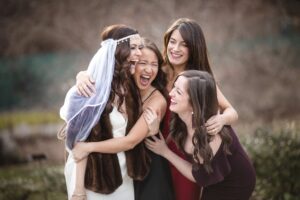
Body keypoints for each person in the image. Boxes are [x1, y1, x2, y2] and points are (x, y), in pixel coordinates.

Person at [76, 18, 239, 200]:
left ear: (194, 48)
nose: (175, 49)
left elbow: (231, 111)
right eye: (172, 41)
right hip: (153, 152)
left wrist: (222, 119)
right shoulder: (157, 70)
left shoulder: (198, 80)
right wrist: (82, 75)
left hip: (182, 155)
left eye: (183, 44)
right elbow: (113, 70)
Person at [72, 38, 175, 200]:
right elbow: (100, 73)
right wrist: (82, 75)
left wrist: (87, 147)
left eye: (154, 64)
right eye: (142, 63)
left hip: (149, 170)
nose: (148, 69)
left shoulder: (157, 101)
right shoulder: (124, 87)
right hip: (124, 169)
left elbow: (130, 141)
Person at [61, 24, 149, 200]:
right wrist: (78, 189)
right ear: (116, 51)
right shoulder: (89, 90)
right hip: (93, 177)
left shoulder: (130, 86)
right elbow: (79, 145)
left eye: (140, 47)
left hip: (122, 175)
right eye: (133, 48)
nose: (139, 53)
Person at [145, 70, 256, 200]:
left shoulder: (207, 134)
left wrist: (165, 152)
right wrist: (154, 130)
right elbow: (167, 140)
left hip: (235, 184)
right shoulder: (182, 117)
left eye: (178, 92)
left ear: (193, 104)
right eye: (174, 87)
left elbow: (198, 175)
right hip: (214, 177)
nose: (171, 94)